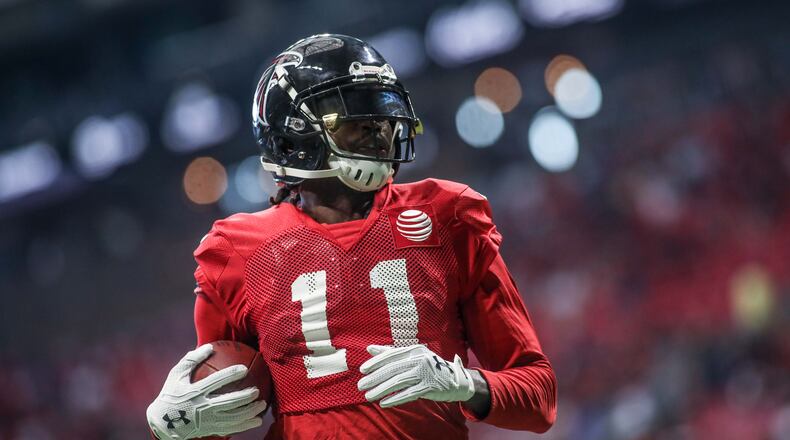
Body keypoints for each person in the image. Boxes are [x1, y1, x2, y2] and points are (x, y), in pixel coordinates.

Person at [146, 34, 557, 439]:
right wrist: (172, 427)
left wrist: (465, 384)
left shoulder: (447, 215)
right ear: (293, 139)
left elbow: (539, 398)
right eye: (355, 122)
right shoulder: (236, 250)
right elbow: (215, 412)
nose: (378, 132)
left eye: (380, 117)